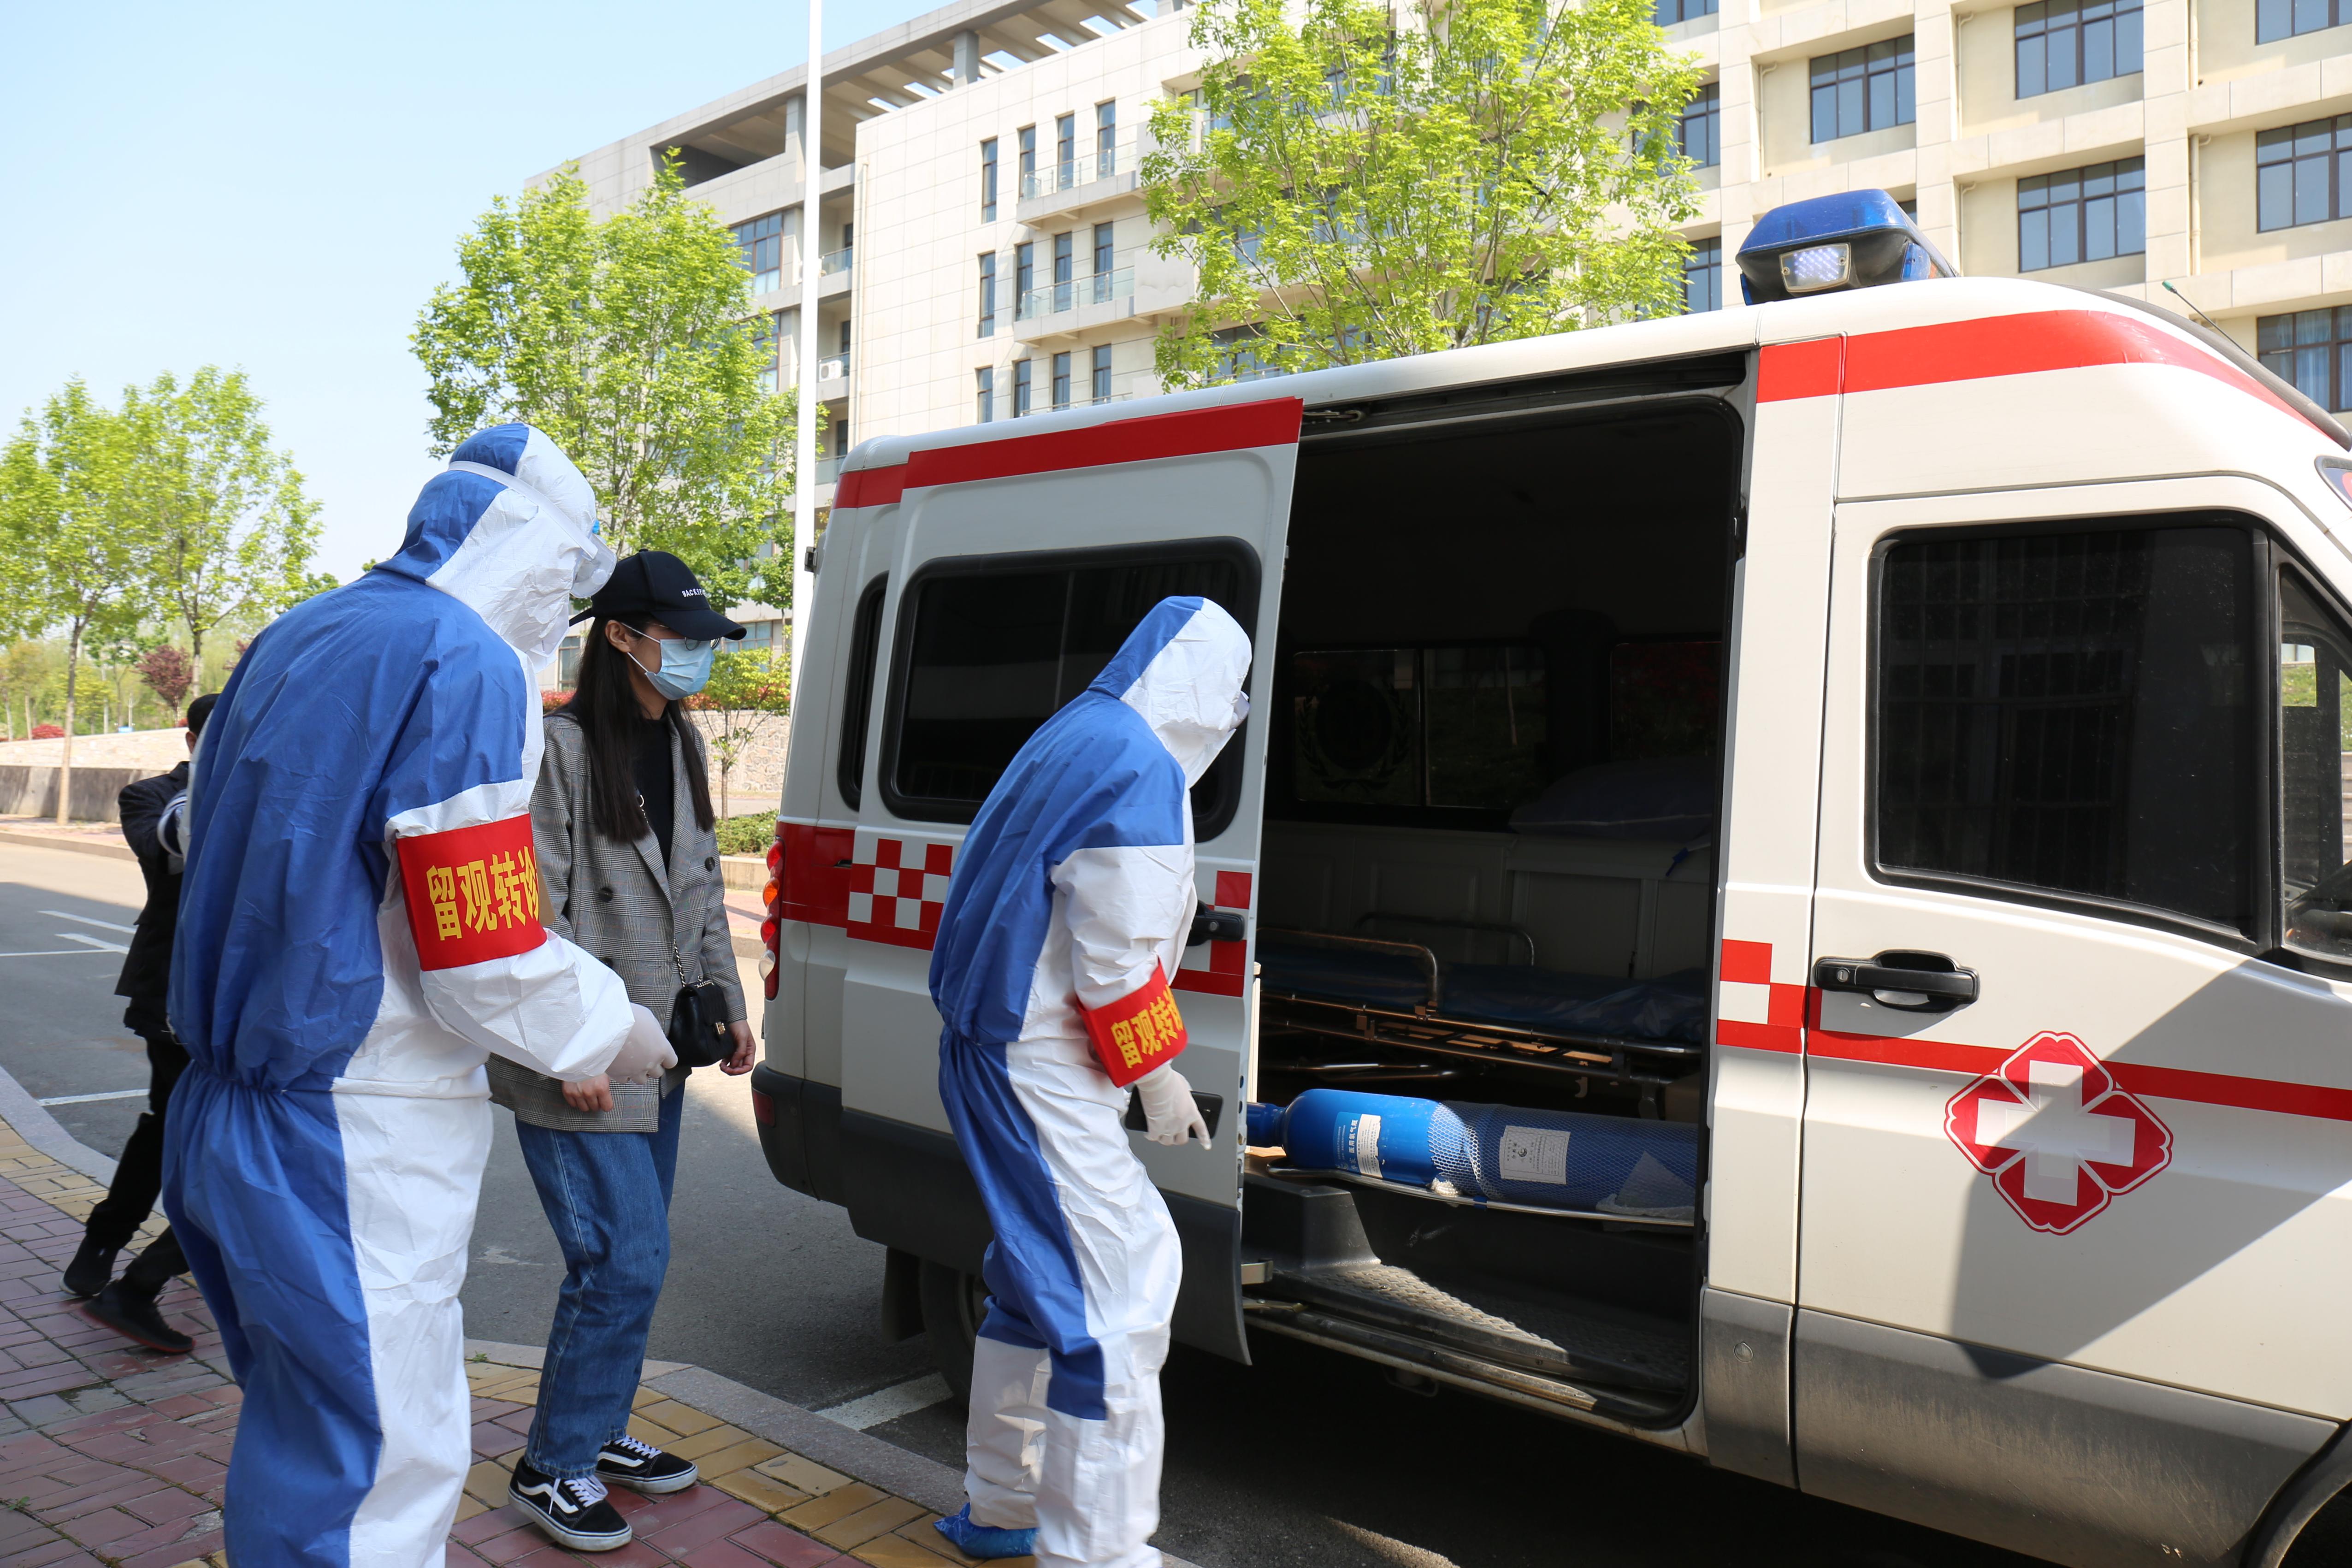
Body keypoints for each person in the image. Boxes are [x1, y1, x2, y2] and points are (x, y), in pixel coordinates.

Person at [163, 423, 678, 1568]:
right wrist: (610, 1026)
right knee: (377, 1472)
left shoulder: (305, 631)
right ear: (540, 553)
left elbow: (205, 835)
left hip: (229, 1107)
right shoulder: (466, 664)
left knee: (308, 1438)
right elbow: (480, 945)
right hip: (350, 1125)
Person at [926, 596, 1248, 1568]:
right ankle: (1098, 1552)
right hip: (1040, 1061)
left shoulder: (1077, 730)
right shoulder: (1139, 764)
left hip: (995, 1043)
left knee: (1035, 1281)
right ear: (1200, 680)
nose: (1232, 713)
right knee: (1120, 1295)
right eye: (1231, 689)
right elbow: (1115, 964)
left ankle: (1001, 1506)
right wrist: (1160, 1078)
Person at [490, 550, 757, 1551]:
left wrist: (728, 1001)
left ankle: (597, 1429)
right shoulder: (561, 750)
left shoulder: (678, 739)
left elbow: (700, 887)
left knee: (635, 1260)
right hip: (584, 1058)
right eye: (682, 638)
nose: (697, 656)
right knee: (622, 1259)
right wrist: (574, 1050)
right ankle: (549, 1465)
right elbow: (537, 917)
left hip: (659, 1051)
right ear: (621, 636)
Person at [62, 691, 220, 1353]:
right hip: (172, 992)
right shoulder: (150, 796)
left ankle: (143, 1270)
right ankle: (107, 1245)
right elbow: (169, 850)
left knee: (210, 1142)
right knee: (169, 1131)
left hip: (236, 996)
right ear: (194, 742)